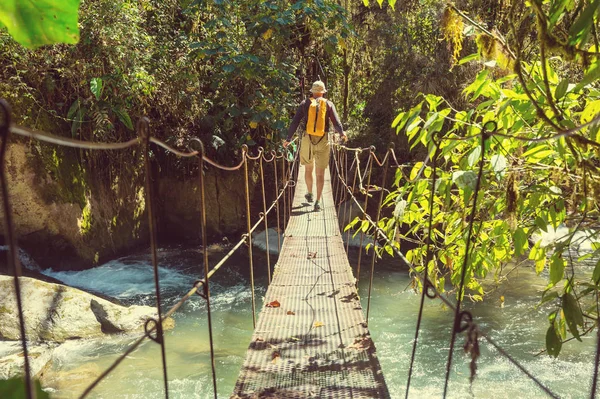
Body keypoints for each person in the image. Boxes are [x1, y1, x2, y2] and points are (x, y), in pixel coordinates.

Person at [283, 81, 347, 211]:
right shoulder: (328, 104)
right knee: (320, 173)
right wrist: (342, 134)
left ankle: (310, 193)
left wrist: (288, 139)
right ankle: (318, 201)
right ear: (323, 92)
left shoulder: (305, 104)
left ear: (312, 91)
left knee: (308, 169)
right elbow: (336, 123)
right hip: (323, 140)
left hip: (308, 139)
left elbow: (295, 122)